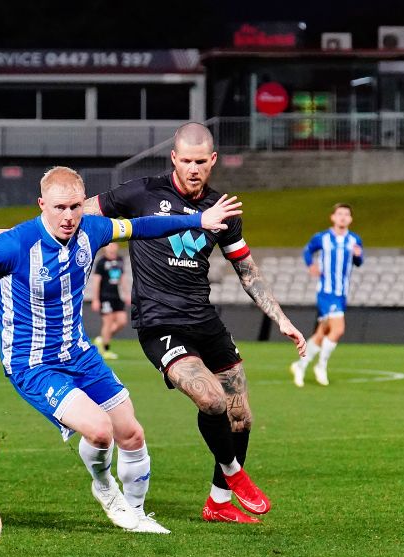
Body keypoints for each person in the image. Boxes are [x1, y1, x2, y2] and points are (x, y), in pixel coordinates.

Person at [0, 166, 244, 533]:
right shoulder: (15, 244)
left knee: (132, 433)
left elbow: (142, 226)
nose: (68, 216)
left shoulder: (92, 230)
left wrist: (198, 220)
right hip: (33, 363)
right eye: (60, 208)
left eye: (75, 207)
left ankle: (138, 513)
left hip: (79, 353)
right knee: (100, 430)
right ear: (42, 205)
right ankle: (106, 489)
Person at [83, 122, 307, 524]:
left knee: (241, 416)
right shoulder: (142, 193)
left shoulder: (221, 208)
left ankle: (218, 503)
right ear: (174, 158)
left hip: (204, 320)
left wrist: (282, 319)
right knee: (212, 400)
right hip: (159, 323)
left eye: (201, 161)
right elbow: (78, 212)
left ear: (213, 160)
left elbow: (246, 270)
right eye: (185, 160)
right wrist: (28, 235)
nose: (193, 168)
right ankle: (234, 472)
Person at [290, 203, 364, 387]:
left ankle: (300, 365)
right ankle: (321, 366)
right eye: (339, 214)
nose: (343, 217)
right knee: (338, 330)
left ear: (351, 219)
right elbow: (307, 250)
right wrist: (310, 265)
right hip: (326, 292)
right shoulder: (322, 237)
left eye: (346, 214)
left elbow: (359, 262)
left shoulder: (354, 239)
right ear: (333, 217)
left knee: (322, 333)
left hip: (342, 293)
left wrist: (358, 255)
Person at [90, 242, 128, 360]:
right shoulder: (101, 262)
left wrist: (127, 294)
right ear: (105, 248)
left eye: (114, 245)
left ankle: (101, 339)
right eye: (109, 245)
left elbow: (122, 278)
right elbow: (96, 281)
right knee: (108, 322)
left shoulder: (120, 260)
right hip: (105, 296)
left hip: (117, 296)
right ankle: (105, 349)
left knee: (122, 321)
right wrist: (95, 299)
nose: (112, 247)